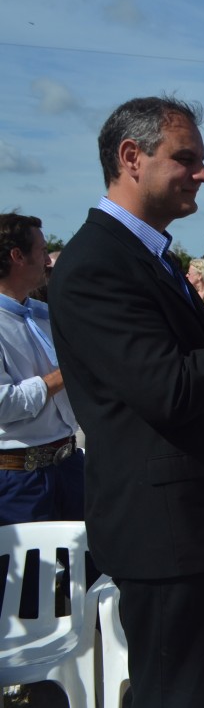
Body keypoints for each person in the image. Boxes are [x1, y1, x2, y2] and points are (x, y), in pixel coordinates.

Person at [50, 96, 204, 706]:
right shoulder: (97, 264)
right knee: (173, 693)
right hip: (160, 528)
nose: (203, 174)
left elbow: (181, 367)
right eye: (186, 158)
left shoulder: (146, 253)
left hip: (184, 522)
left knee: (188, 683)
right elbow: (169, 390)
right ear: (131, 157)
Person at [0, 213, 82, 526]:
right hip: (18, 479)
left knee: (95, 568)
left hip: (69, 465)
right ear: (16, 256)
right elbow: (3, 404)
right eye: (42, 250)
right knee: (27, 575)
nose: (48, 260)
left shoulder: (46, 313)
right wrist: (63, 375)